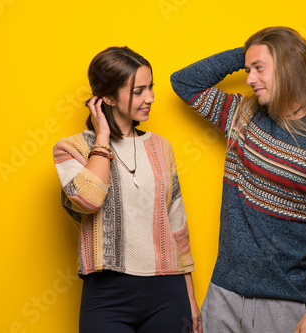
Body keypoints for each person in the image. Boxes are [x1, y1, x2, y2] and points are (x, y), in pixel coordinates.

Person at [170, 27, 306, 332]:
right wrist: (248, 54)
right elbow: (184, 82)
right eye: (248, 70)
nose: (249, 79)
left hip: (285, 306)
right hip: (224, 295)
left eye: (259, 68)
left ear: (289, 67)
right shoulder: (243, 115)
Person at [53, 46, 202, 333]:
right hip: (108, 295)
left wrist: (191, 299)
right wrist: (103, 138)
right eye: (138, 91)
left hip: (168, 293)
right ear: (107, 97)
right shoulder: (71, 149)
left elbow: (177, 224)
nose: (150, 98)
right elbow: (89, 199)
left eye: (151, 88)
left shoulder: (161, 146)